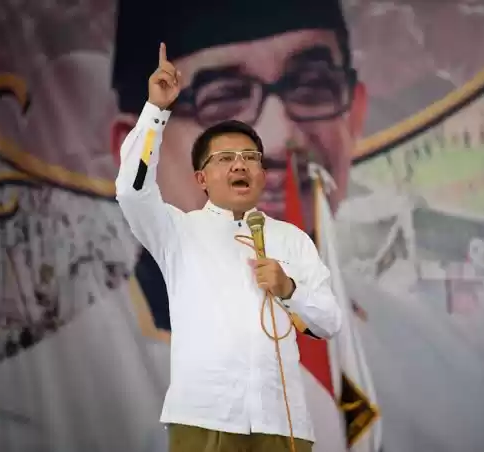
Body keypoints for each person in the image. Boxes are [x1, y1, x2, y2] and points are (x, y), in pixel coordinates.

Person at [115, 42, 342, 452]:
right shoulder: (178, 234)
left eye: (249, 158)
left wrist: (289, 289)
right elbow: (132, 192)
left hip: (282, 422)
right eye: (225, 159)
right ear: (201, 178)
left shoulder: (291, 239)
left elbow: (328, 321)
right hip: (206, 421)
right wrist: (156, 112)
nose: (240, 165)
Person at [111, 0, 366, 335]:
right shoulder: (93, 361)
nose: (280, 138)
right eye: (223, 99)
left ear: (355, 115)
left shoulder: (415, 337)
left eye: (311, 86)